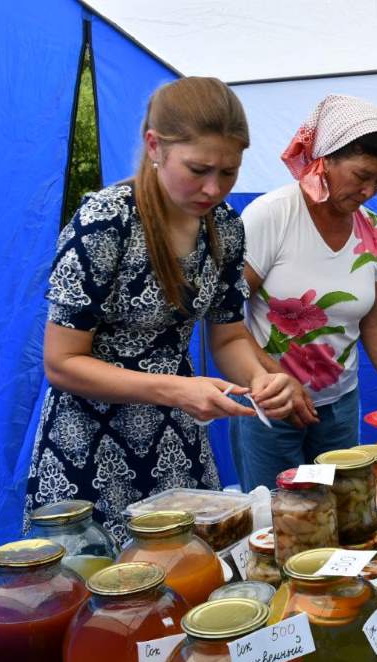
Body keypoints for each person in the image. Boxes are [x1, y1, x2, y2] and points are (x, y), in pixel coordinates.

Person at [24, 77, 302, 544]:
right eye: (198, 169)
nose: (213, 188)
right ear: (155, 145)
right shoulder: (104, 222)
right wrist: (176, 390)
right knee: (103, 594)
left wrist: (260, 381)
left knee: (191, 579)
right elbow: (62, 362)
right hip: (88, 444)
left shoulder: (227, 229)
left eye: (228, 172)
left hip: (176, 437)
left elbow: (229, 337)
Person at [231, 94, 377, 491]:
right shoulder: (272, 216)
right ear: (325, 158)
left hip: (339, 405)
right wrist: (277, 379)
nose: (369, 190)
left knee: (340, 513)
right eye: (361, 175)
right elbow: (225, 315)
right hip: (271, 403)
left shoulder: (374, 231)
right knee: (281, 518)